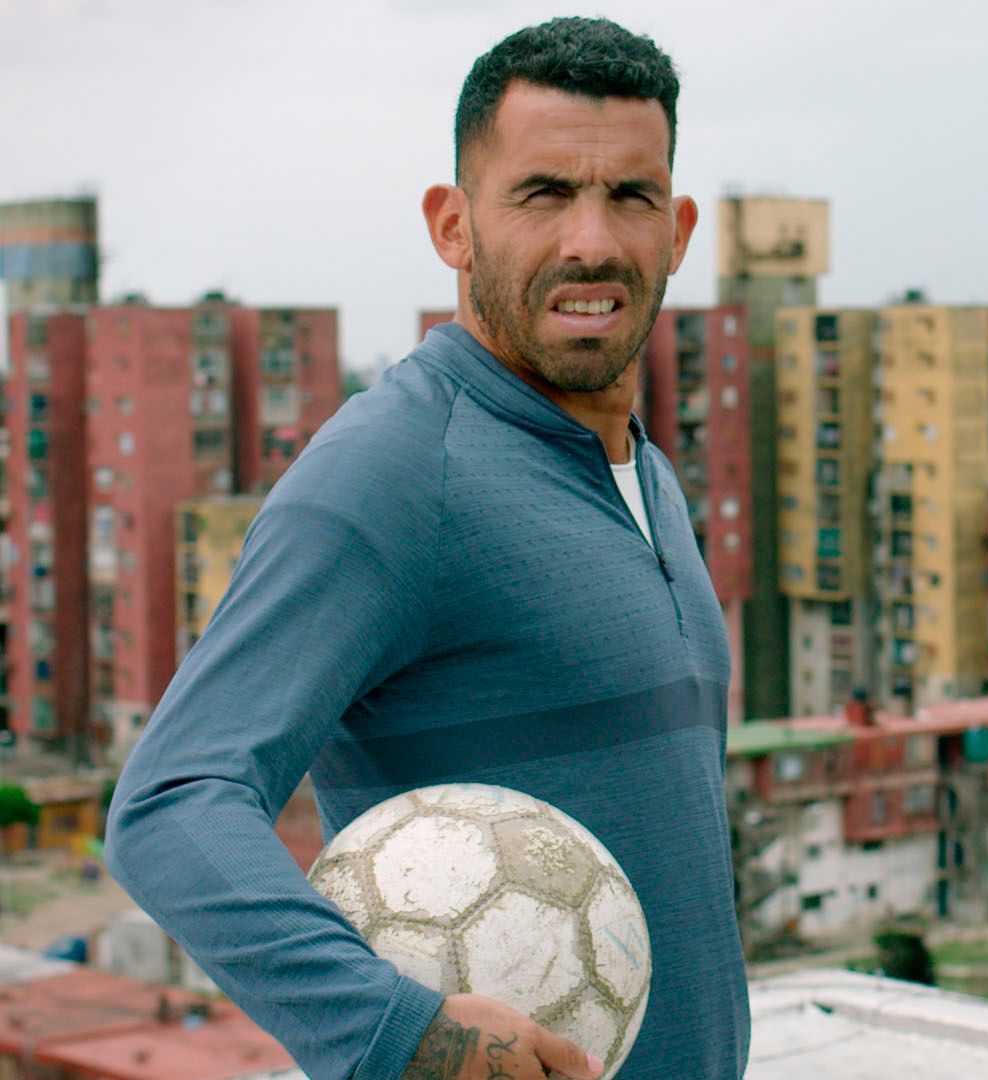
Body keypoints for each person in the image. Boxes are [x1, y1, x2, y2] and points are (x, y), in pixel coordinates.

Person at [105, 18, 747, 1080]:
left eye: (629, 196)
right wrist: (398, 1035)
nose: (591, 241)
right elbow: (172, 804)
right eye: (543, 193)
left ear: (675, 230)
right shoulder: (393, 471)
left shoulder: (646, 470)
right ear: (453, 226)